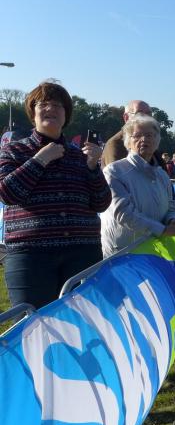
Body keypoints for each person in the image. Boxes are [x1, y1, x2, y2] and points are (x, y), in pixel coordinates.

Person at [0, 81, 112, 308]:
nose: (50, 108)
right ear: (33, 112)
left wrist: (93, 168)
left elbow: (101, 203)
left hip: (82, 253)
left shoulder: (80, 155)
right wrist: (40, 160)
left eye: (57, 105)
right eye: (43, 104)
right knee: (33, 322)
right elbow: (7, 193)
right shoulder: (13, 151)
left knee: (84, 320)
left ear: (66, 115)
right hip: (31, 256)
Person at [101, 115, 175, 257]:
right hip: (125, 253)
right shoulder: (114, 171)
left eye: (149, 135)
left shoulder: (162, 175)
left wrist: (173, 221)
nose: (144, 139)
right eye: (137, 136)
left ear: (157, 141)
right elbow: (124, 213)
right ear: (128, 142)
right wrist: (163, 230)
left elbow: (171, 206)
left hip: (155, 250)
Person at [101, 99, 165, 170]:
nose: (145, 118)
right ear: (126, 117)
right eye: (140, 114)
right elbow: (117, 173)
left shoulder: (151, 141)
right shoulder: (115, 143)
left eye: (149, 114)